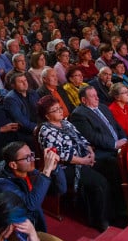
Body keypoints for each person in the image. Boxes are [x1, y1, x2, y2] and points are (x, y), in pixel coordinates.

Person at [0, 141, 70, 241]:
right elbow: (30, 205)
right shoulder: (2, 185)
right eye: (28, 157)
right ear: (13, 165)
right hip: (12, 235)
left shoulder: (27, 172)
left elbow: (61, 189)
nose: (33, 159)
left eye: (32, 154)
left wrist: (55, 167)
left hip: (31, 227)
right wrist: (46, 171)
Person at [37, 94, 111, 230]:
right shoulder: (45, 130)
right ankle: (99, 221)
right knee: (99, 182)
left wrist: (91, 152)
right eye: (55, 110)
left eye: (59, 108)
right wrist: (83, 161)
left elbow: (81, 139)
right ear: (47, 116)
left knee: (110, 166)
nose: (60, 111)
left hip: (83, 157)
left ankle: (112, 212)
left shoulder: (66, 123)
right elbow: (60, 155)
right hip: (64, 167)